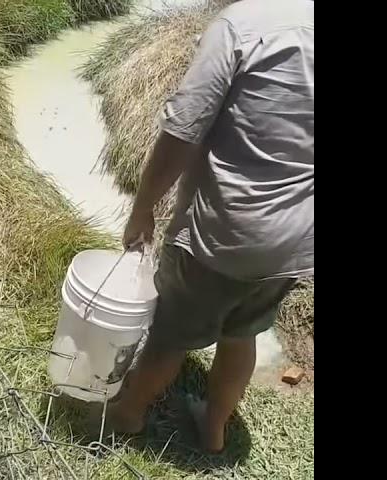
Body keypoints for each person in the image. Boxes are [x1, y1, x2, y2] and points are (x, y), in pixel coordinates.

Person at [108, 0, 314, 454]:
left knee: (171, 333)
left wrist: (143, 206)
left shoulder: (242, 24)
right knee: (243, 332)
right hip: (296, 238)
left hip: (225, 232)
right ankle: (215, 431)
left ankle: (127, 414)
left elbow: (183, 128)